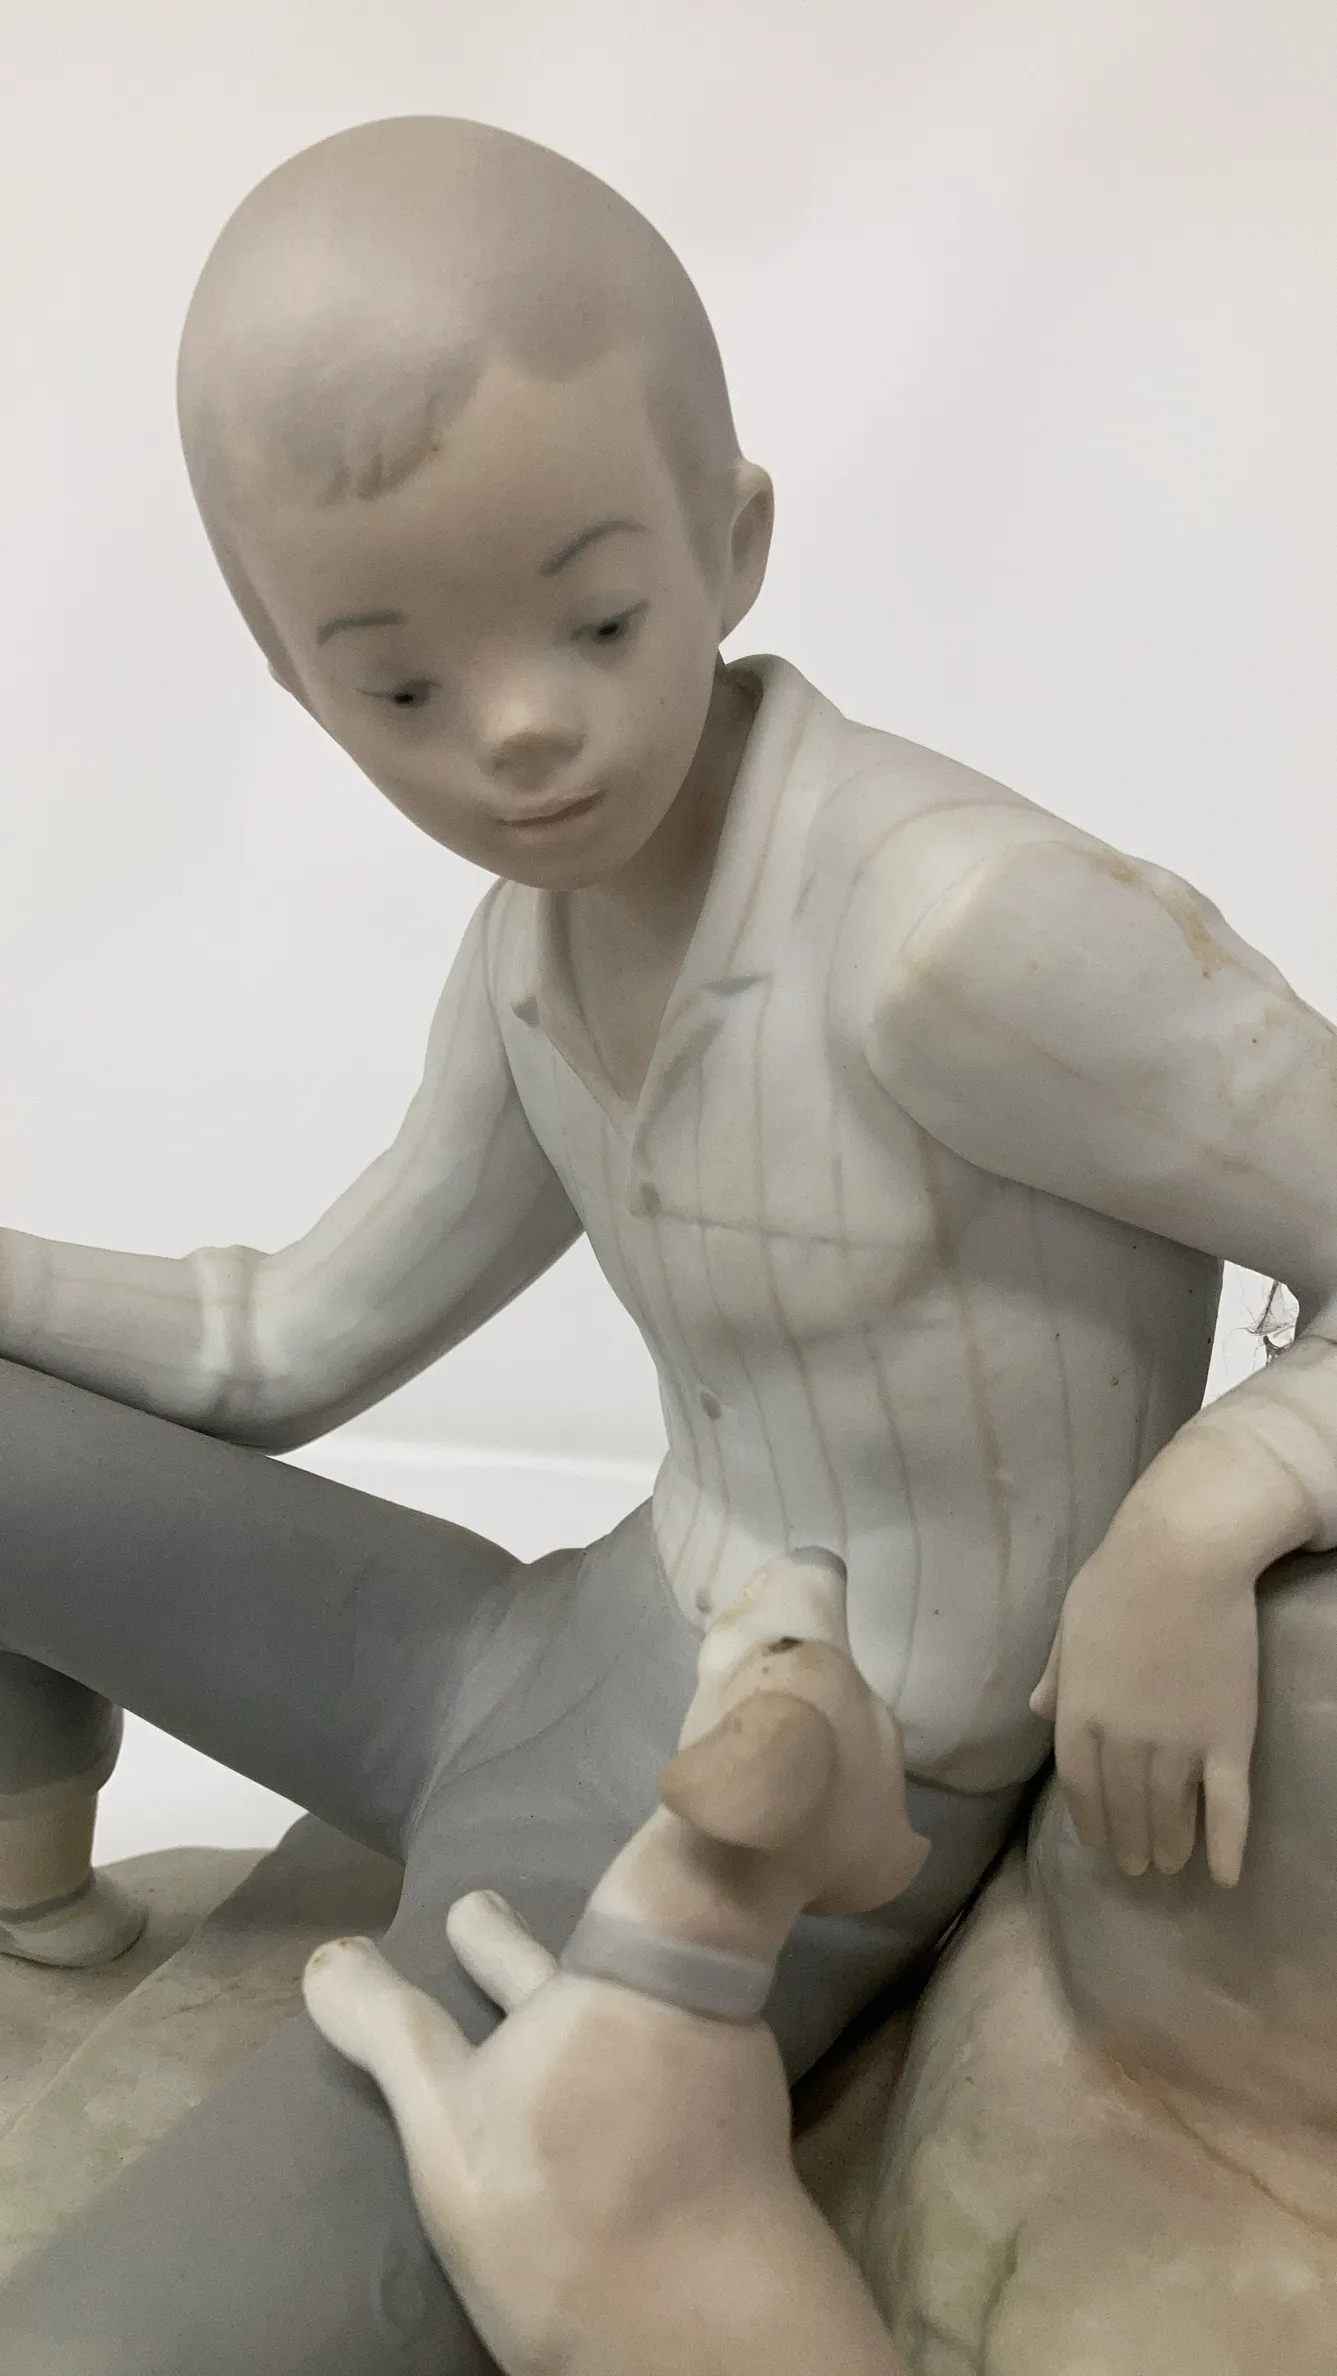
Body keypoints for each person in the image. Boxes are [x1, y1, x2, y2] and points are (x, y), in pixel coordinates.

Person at [0, 112, 1334, 2373]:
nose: (522, 731)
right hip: (546, 1644)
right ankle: (40, 1894)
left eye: (599, 618)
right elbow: (276, 1336)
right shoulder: (535, 950)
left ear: (735, 539)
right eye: (401, 687)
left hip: (788, 1812)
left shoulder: (951, 937)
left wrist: (1210, 1504)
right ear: (293, 682)